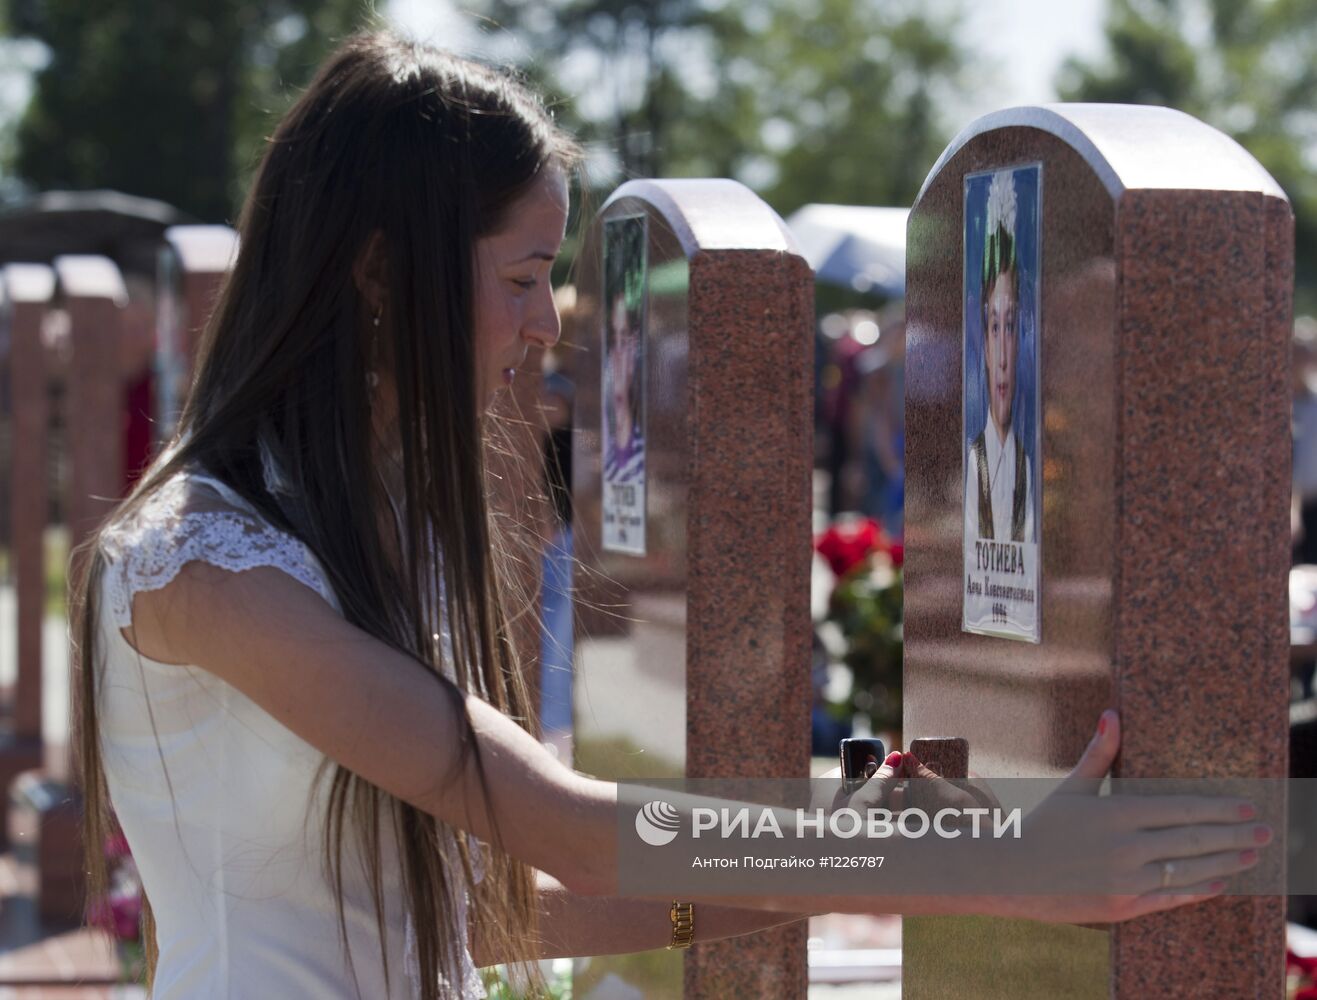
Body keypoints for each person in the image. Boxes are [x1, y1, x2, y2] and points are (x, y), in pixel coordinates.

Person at [71, 31, 1268, 1000]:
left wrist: (902, 857)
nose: (550, 328)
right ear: (381, 274)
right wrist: (987, 864)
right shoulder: (207, 563)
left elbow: (483, 917)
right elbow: (568, 830)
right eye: (525, 279)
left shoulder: (366, 531)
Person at [965, 169, 1035, 543]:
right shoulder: (972, 460)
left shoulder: (1027, 463)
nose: (1004, 357)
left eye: (1012, 326)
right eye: (994, 326)